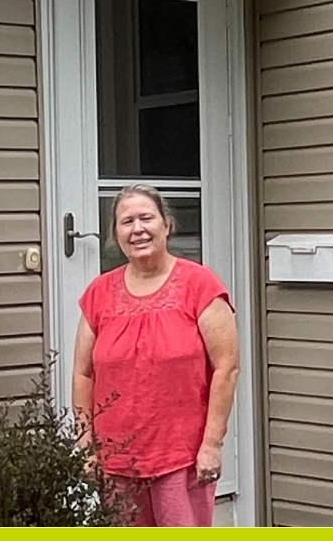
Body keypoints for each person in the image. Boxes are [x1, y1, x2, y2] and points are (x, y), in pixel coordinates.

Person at [72, 184, 239, 527]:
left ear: (166, 225)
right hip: (115, 458)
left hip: (181, 456)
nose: (138, 229)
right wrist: (85, 443)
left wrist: (212, 444)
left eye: (146, 218)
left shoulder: (200, 285)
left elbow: (227, 368)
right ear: (115, 234)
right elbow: (82, 373)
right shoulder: (99, 292)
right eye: (126, 221)